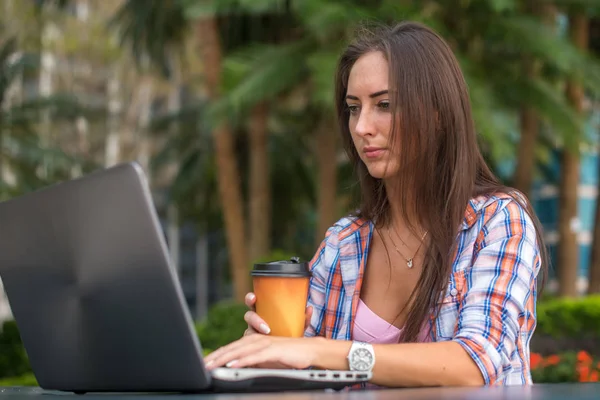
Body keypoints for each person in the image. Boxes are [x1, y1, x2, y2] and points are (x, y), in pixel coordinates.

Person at [204, 20, 549, 388]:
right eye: (354, 108)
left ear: (437, 114)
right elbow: (298, 361)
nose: (362, 127)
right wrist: (262, 351)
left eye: (384, 104)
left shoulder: (497, 221)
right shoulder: (344, 244)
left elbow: (475, 363)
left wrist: (325, 352)